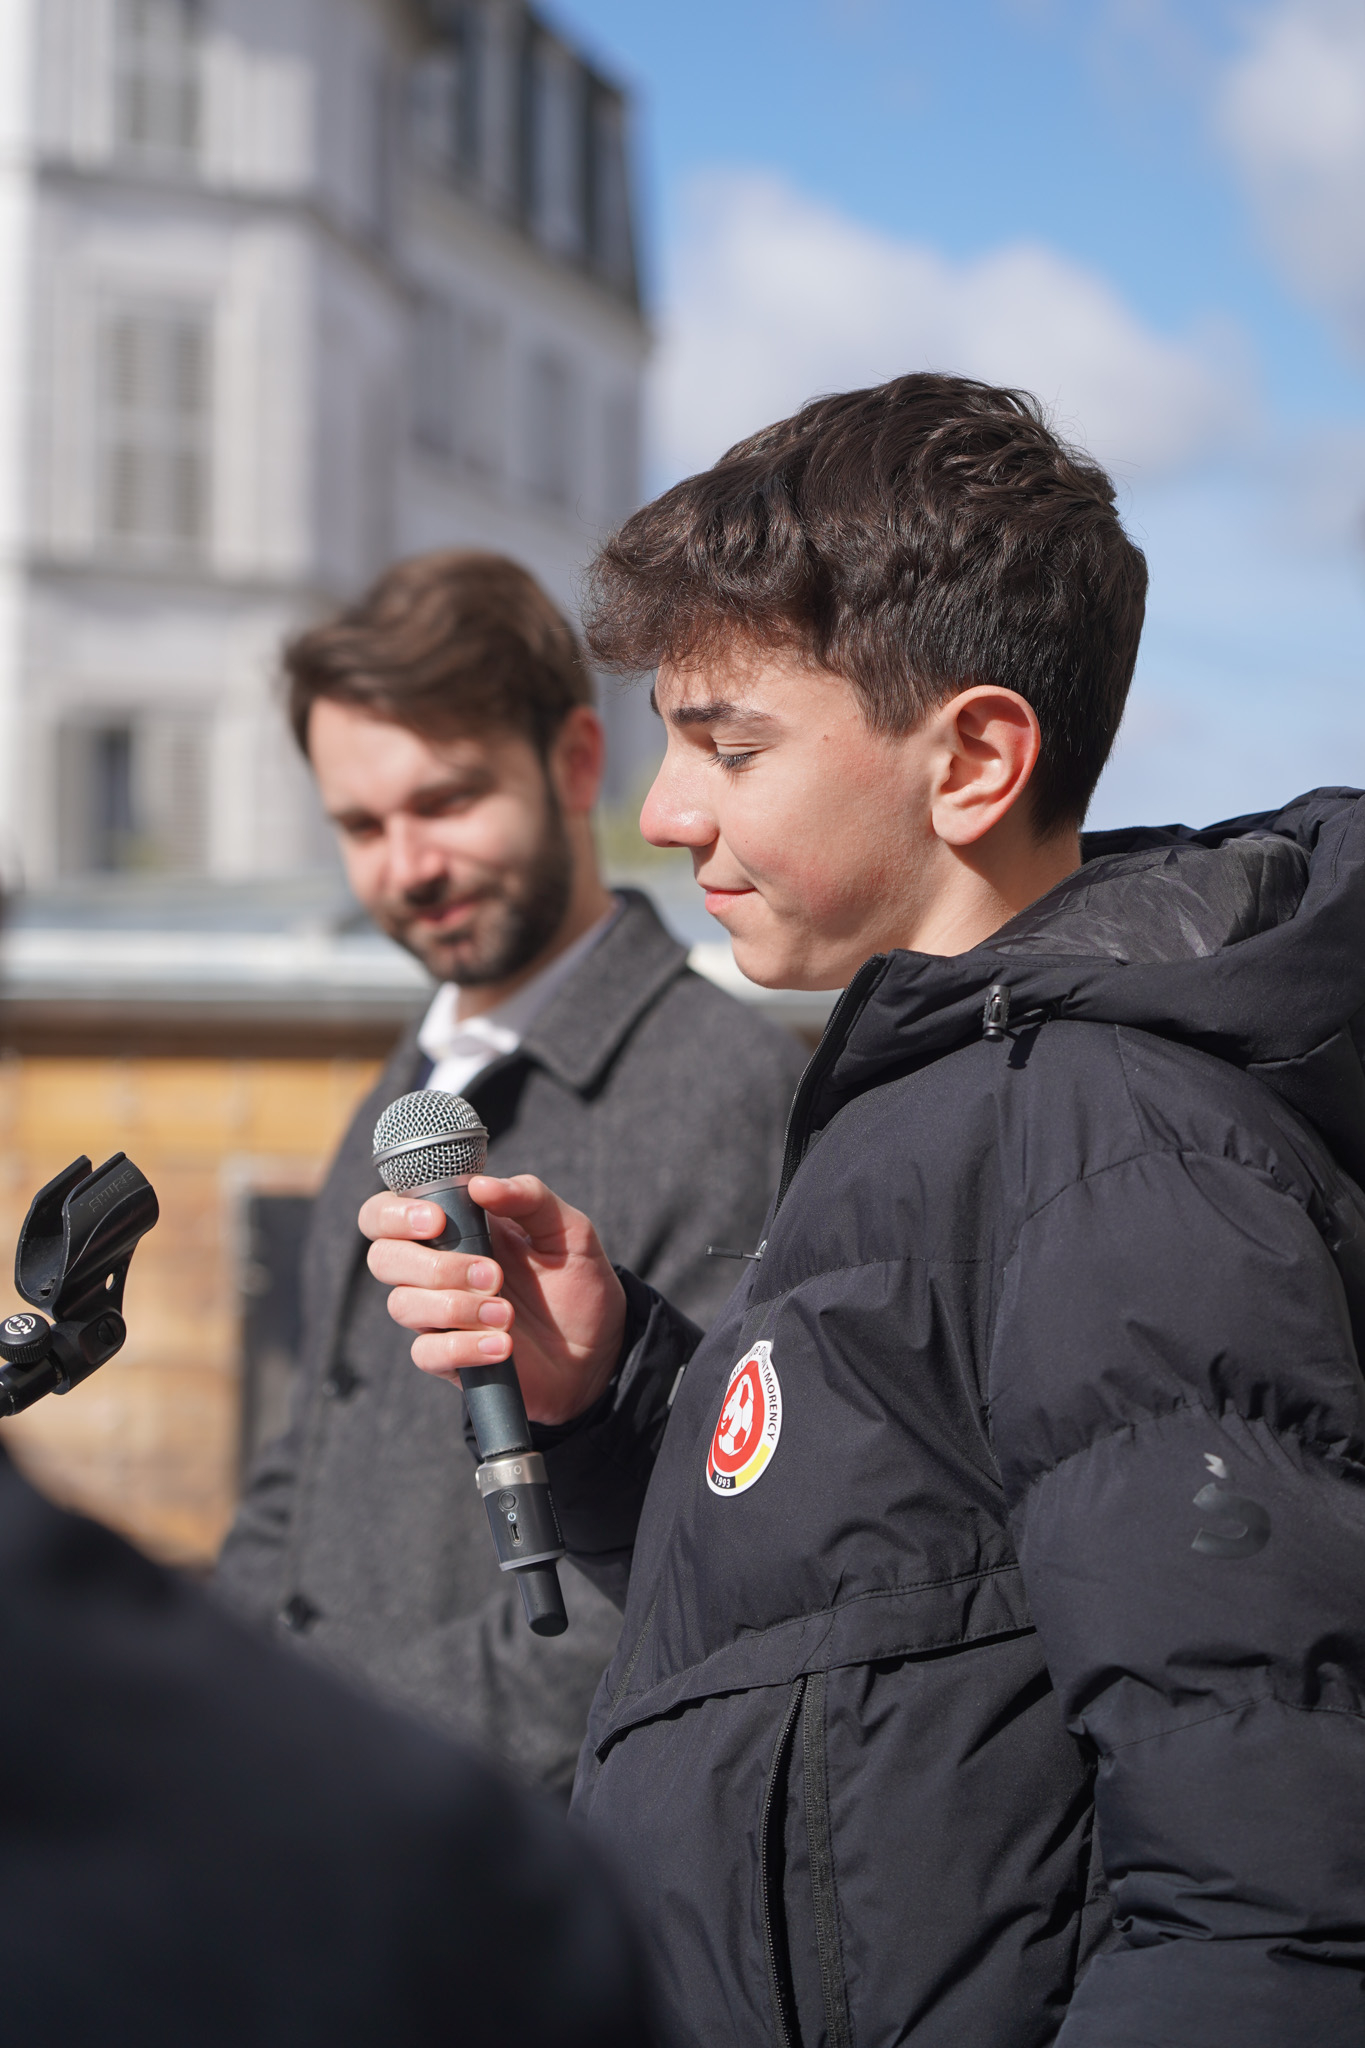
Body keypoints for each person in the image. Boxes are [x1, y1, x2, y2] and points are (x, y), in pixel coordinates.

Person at [361, 378, 1365, 2046]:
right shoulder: (931, 1099)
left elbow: (1268, 1888)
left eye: (730, 746)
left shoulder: (1114, 1145)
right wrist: (613, 1391)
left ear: (972, 758)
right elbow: (877, 1635)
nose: (665, 812)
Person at [217, 551, 807, 1797]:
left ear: (576, 763)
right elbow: (300, 1464)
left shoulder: (729, 1089)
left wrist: (320, 1766)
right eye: (362, 826)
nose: (408, 864)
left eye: (447, 800)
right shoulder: (409, 1097)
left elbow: (684, 1562)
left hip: (486, 1843)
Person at [0, 1442, 651, 2046]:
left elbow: (616, 1587)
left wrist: (333, 1758)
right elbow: (286, 1484)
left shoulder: (463, 1875)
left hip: (428, 1840)